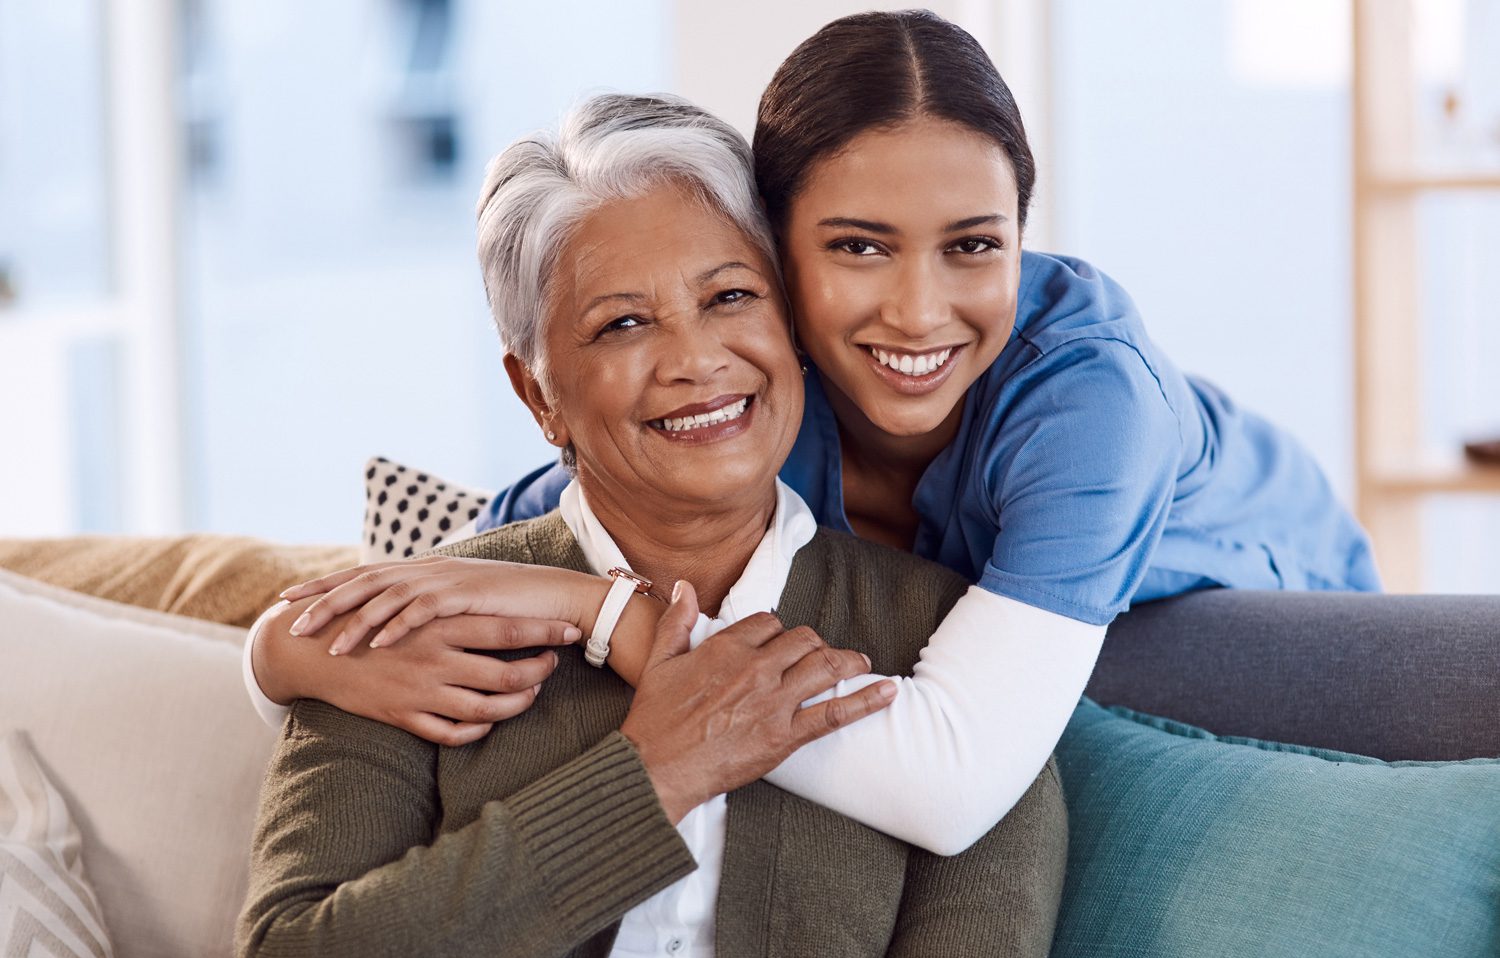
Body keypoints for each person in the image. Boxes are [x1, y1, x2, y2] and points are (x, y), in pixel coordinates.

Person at [248, 10, 1379, 853]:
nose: (920, 311)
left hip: (1273, 622)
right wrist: (273, 657)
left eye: (975, 245)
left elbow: (949, 785)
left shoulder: (1087, 397)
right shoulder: (750, 395)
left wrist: (614, 620)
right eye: (858, 247)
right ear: (772, 255)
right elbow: (473, 564)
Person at [237, 93, 1066, 958]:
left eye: (731, 297)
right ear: (537, 393)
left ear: (790, 326)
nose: (696, 360)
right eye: (623, 324)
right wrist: (653, 778)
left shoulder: (949, 657)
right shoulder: (425, 617)